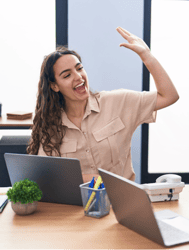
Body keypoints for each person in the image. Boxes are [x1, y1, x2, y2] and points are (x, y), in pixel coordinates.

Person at [27, 27, 179, 182]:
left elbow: (169, 96)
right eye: (67, 75)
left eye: (79, 68)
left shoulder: (117, 102)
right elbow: (46, 176)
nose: (78, 76)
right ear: (55, 86)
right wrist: (97, 179)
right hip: (75, 204)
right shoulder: (50, 125)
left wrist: (146, 55)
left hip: (120, 201)